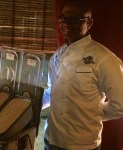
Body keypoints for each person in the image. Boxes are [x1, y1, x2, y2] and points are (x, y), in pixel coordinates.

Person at [43, 0, 123, 149]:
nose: (66, 24)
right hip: (52, 139)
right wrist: (29, 105)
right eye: (63, 18)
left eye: (75, 19)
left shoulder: (104, 58)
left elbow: (121, 104)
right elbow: (50, 92)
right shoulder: (56, 56)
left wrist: (93, 113)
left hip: (83, 143)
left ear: (89, 23)